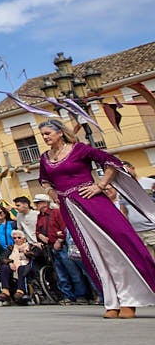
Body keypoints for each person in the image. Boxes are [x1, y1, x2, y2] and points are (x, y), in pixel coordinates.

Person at [36, 118, 155, 318]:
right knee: (93, 253)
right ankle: (112, 301)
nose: (45, 138)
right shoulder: (45, 157)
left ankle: (130, 300)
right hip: (70, 209)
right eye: (43, 135)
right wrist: (51, 192)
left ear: (60, 132)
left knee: (115, 247)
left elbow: (111, 162)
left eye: (48, 133)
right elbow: (43, 179)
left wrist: (99, 185)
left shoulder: (79, 149)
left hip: (93, 203)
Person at [33, 193, 88, 305]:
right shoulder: (40, 216)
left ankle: (81, 295)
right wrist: (39, 236)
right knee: (60, 273)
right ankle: (67, 295)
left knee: (73, 272)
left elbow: (64, 228)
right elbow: (37, 231)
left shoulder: (56, 213)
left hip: (61, 246)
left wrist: (59, 240)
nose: (36, 205)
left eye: (38, 202)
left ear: (44, 203)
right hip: (50, 247)